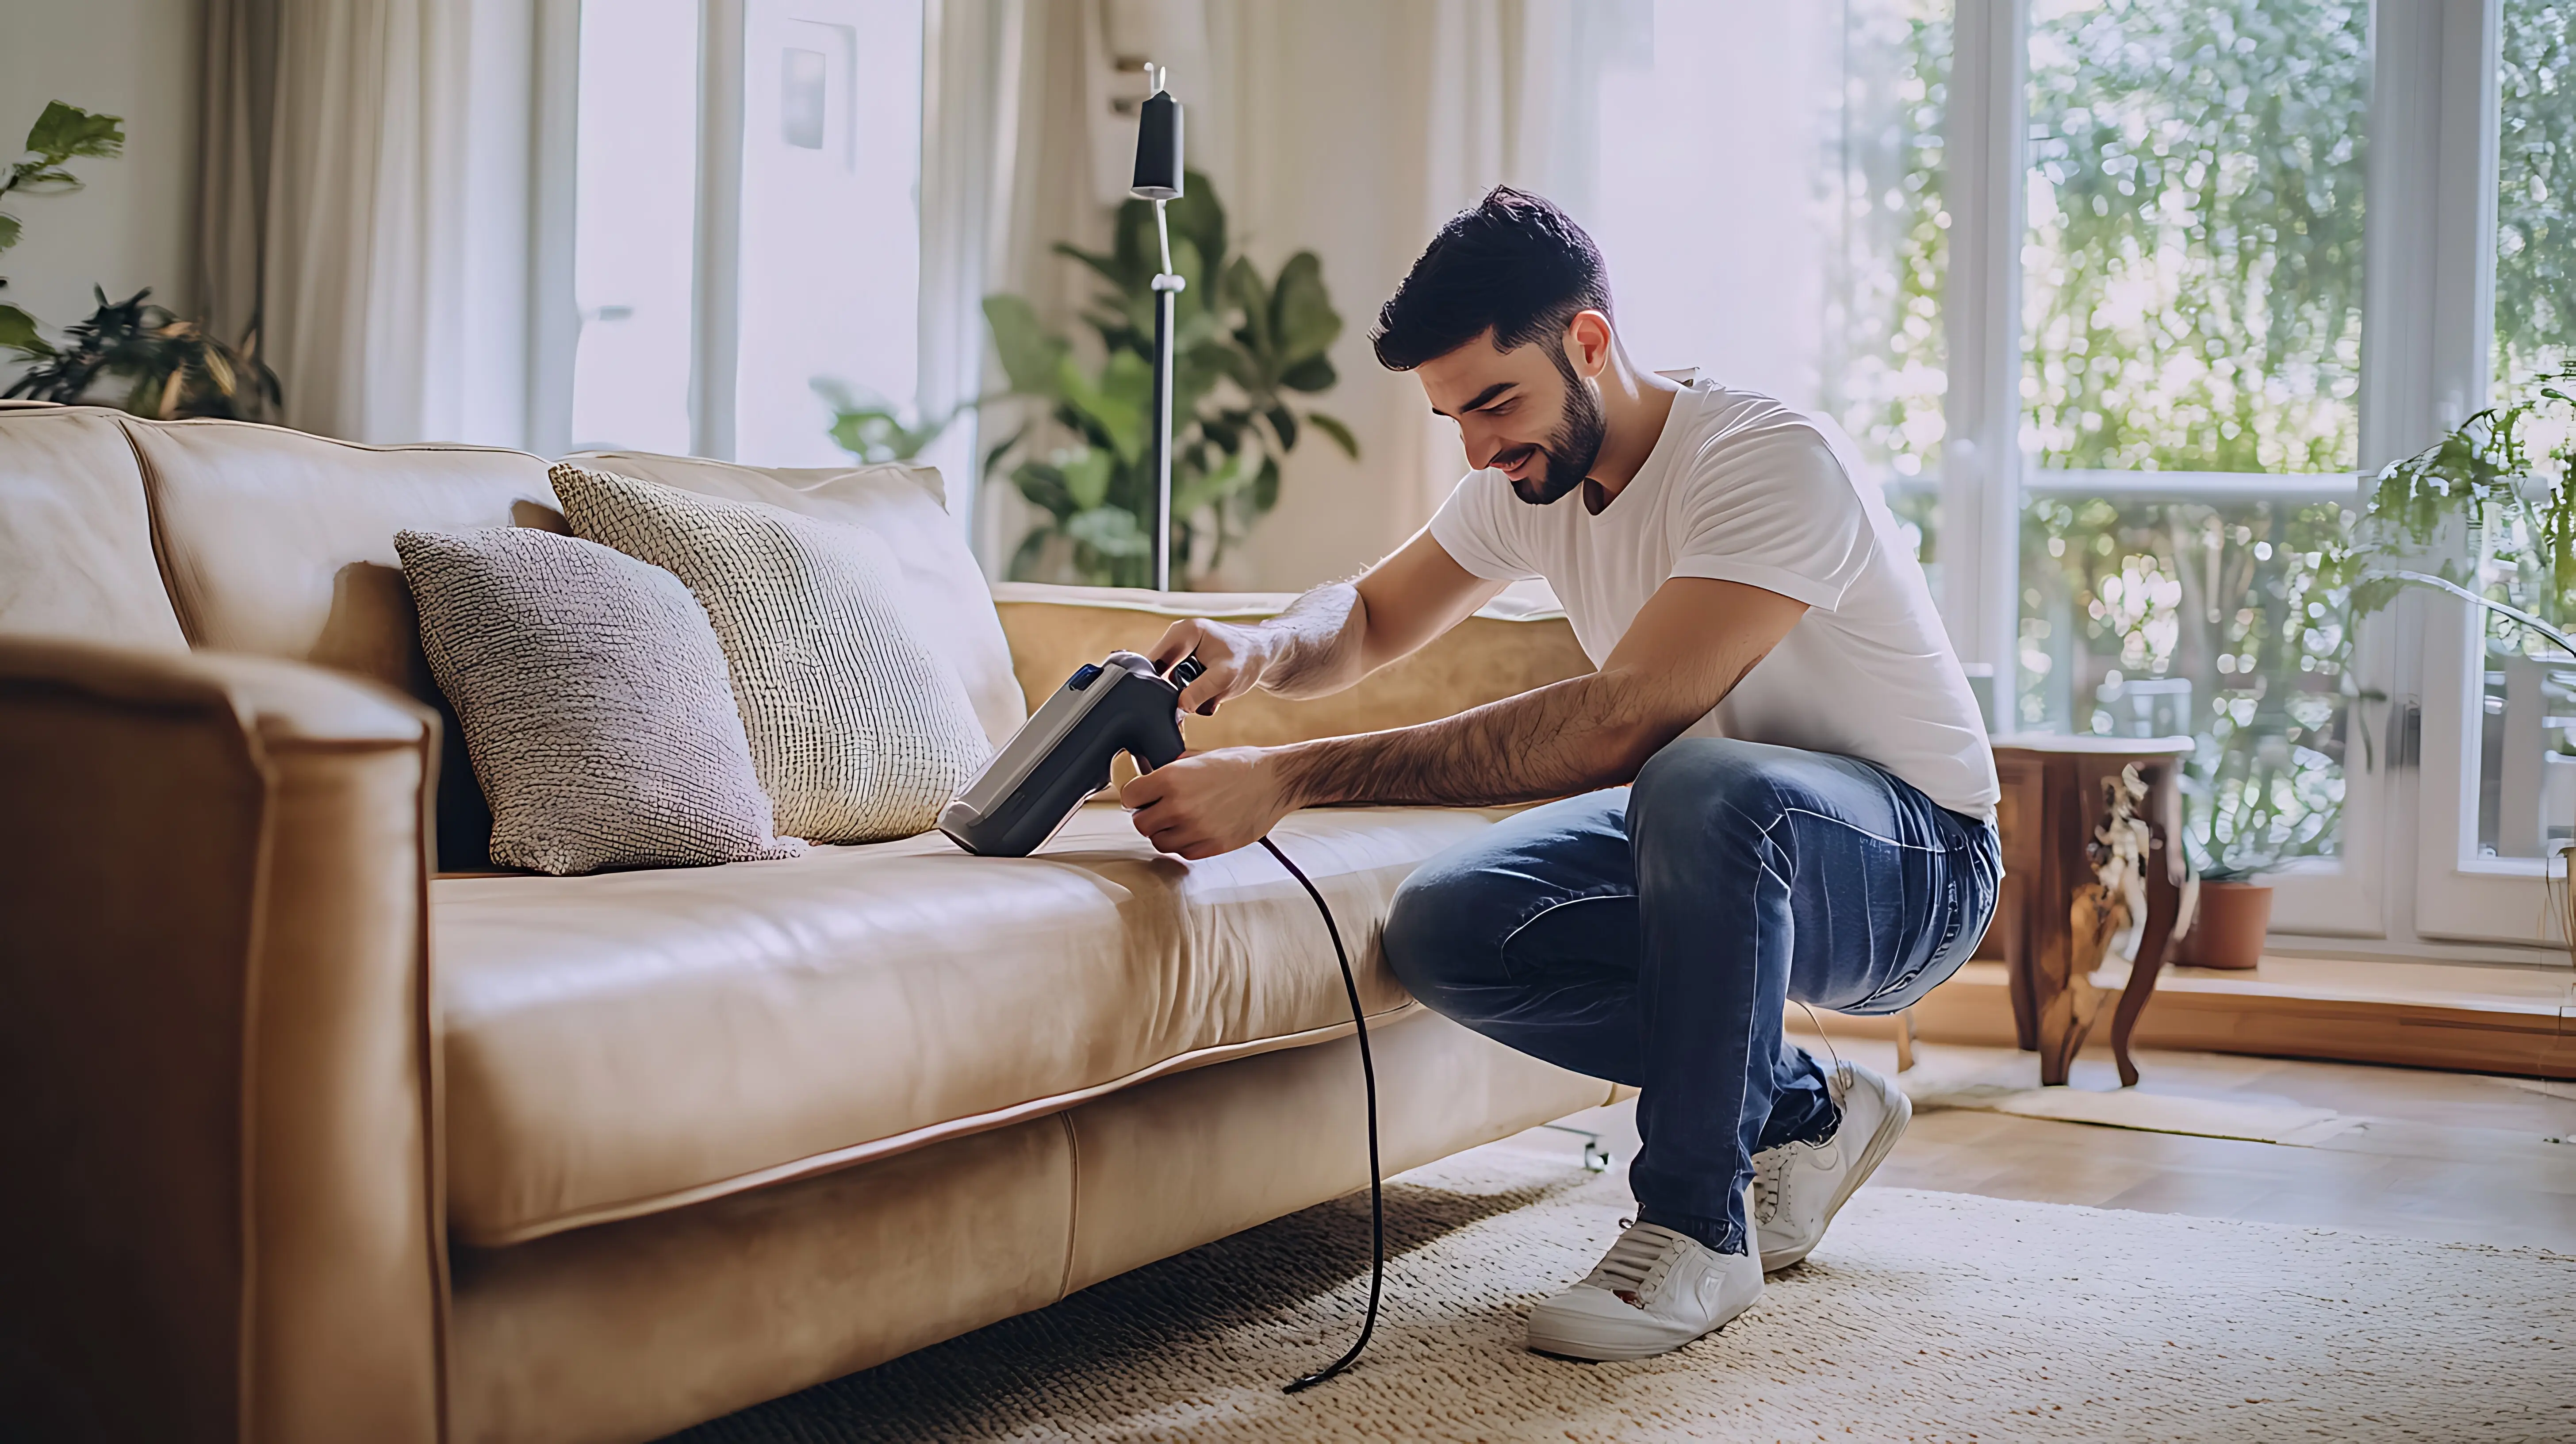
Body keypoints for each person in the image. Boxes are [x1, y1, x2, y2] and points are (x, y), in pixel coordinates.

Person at [1120, 187, 2001, 1362]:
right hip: (1719, 835)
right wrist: (1265, 649)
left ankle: (1695, 1228)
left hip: (1918, 864)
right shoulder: (1528, 478)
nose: (1482, 447)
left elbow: (1618, 725)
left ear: (1588, 341)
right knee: (1447, 925)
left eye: (1497, 402)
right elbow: (1375, 617)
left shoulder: (1765, 459)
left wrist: (1290, 777)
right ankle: (1807, 1114)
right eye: (1455, 419)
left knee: (1697, 780)